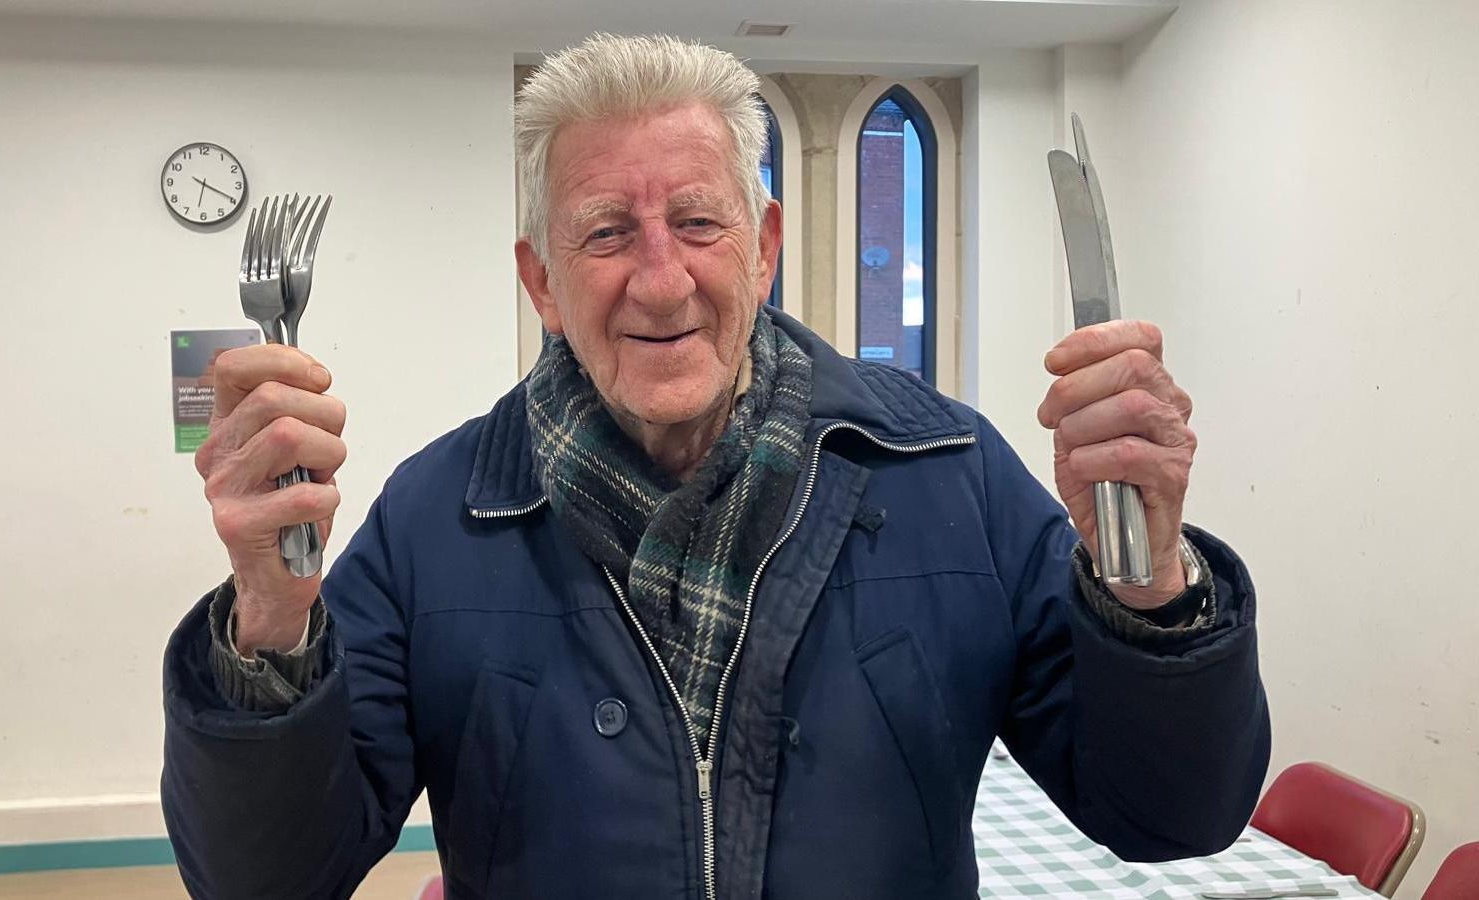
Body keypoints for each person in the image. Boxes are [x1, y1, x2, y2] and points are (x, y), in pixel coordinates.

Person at [161, 33, 1269, 900]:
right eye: (603, 234)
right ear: (540, 280)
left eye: (697, 221)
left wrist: (1148, 576)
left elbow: (1168, 814)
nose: (658, 279)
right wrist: (268, 613)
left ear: (764, 245)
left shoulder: (950, 472)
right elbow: (272, 878)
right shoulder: (434, 518)